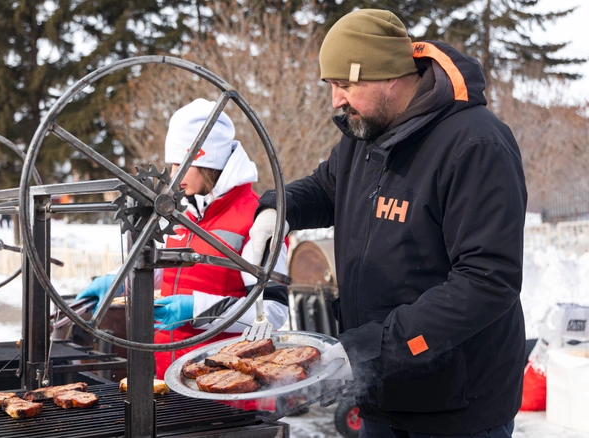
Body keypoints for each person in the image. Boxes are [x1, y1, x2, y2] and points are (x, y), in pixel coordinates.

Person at [249, 9, 527, 438]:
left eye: (344, 85)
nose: (336, 101)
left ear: (389, 77)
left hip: (457, 407)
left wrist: (369, 349)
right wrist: (276, 209)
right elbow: (326, 188)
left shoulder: (475, 143)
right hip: (381, 393)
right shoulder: (365, 132)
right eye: (332, 86)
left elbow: (488, 282)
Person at [76, 98, 289, 380]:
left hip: (225, 387)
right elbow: (170, 272)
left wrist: (195, 310)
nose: (173, 176)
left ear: (206, 160)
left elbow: (272, 313)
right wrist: (120, 282)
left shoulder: (256, 219)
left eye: (180, 163)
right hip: (172, 376)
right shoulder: (185, 214)